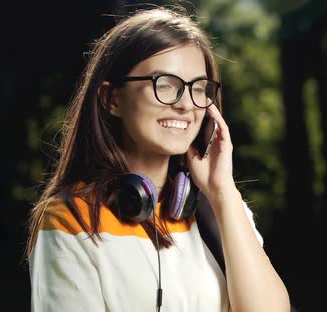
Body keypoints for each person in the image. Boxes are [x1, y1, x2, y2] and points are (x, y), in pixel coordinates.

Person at [24, 5, 291, 312]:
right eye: (164, 84)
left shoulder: (220, 208)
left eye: (199, 89)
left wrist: (223, 191)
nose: (185, 105)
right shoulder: (71, 219)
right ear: (112, 99)